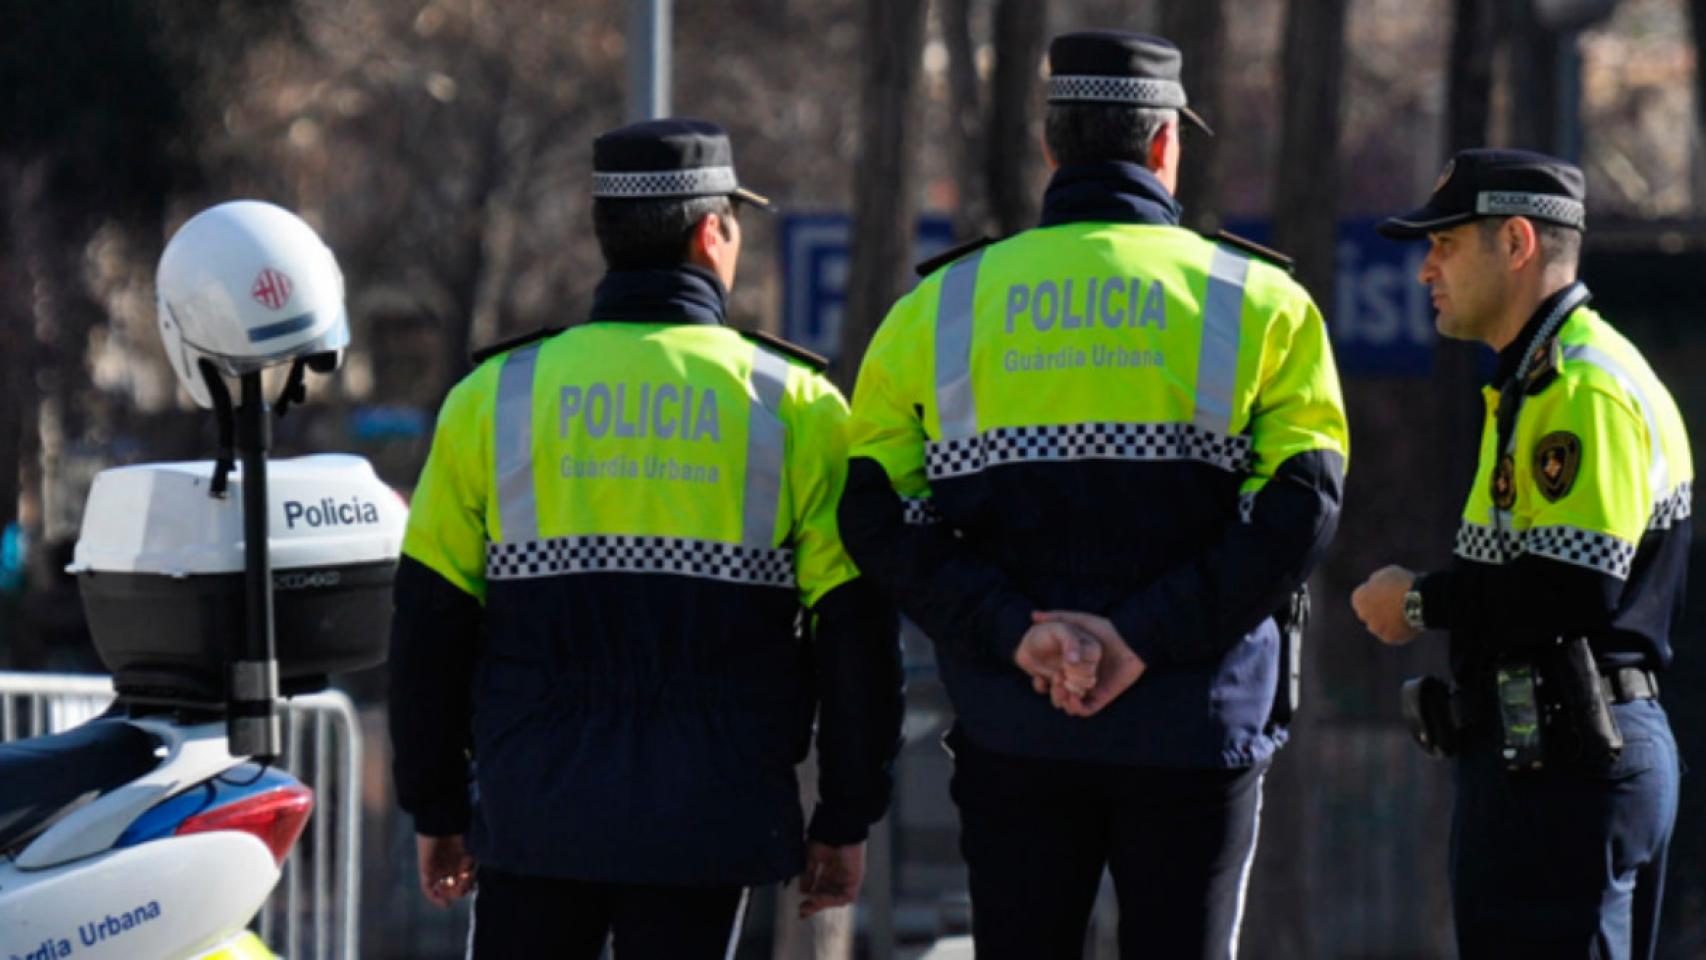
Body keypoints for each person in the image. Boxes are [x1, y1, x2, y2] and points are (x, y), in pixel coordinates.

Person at [838, 30, 1348, 960]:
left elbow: (877, 515)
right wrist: (1143, 638)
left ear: (1050, 147)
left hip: (1014, 723)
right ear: (1164, 145)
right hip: (1199, 728)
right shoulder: (1261, 302)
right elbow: (1301, 507)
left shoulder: (937, 311)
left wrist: (1015, 633)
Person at [388, 118, 904, 958]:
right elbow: (855, 637)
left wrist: (436, 805)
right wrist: (845, 817)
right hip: (711, 818)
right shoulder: (797, 406)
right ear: (711, 233)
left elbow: (428, 624)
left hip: (535, 810)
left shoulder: (496, 397)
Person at [1352, 148, 1689, 958]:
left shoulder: (1582, 387)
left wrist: (1419, 602)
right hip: (1551, 756)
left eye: (1446, 244)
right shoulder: (1536, 383)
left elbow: (1571, 594)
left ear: (1516, 243)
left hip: (1572, 762)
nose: (1427, 268)